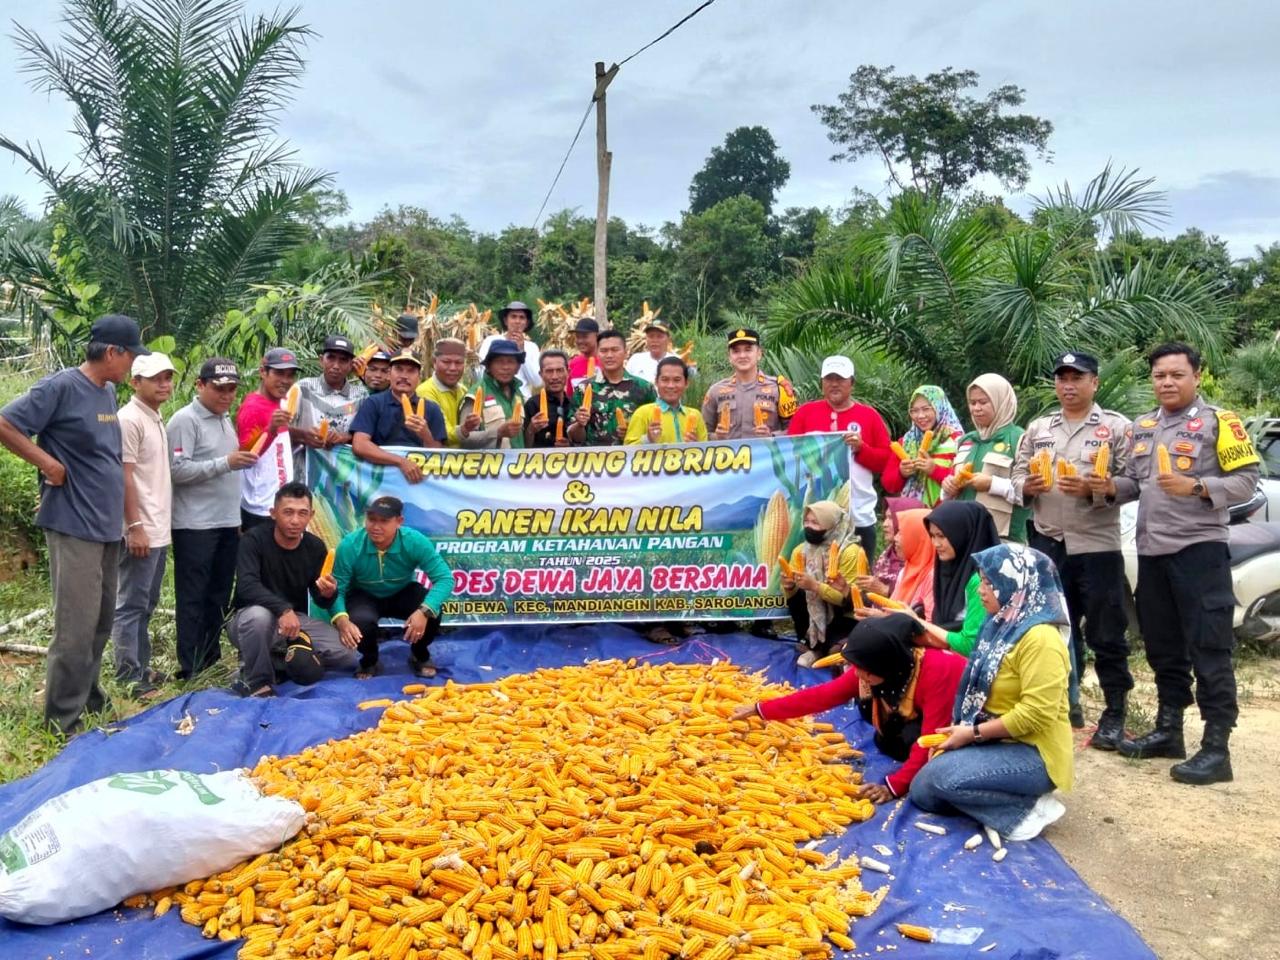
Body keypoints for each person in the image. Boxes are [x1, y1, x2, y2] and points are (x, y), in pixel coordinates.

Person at [1103, 343, 1260, 785]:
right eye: (1159, 376)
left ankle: (1216, 747)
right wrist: (1102, 486)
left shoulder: (1218, 423)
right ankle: (1169, 729)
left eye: (1176, 374)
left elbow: (1246, 481)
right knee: (1162, 646)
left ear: (1195, 377)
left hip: (1199, 550)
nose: (1167, 383)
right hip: (1152, 552)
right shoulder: (1143, 426)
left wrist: (1194, 487)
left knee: (1209, 647)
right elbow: (1134, 484)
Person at [0, 315, 149, 734]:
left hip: (105, 527)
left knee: (101, 620)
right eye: (131, 356)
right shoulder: (61, 387)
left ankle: (90, 696)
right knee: (75, 626)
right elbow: (5, 423)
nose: (133, 365)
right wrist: (46, 462)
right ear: (111, 353)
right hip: (72, 524)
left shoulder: (106, 393)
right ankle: (62, 719)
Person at [909, 543, 1073, 841]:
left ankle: (1025, 808)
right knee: (923, 792)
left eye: (990, 582)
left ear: (1018, 585)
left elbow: (1036, 715)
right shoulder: (998, 624)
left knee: (940, 780)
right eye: (982, 581)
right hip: (994, 739)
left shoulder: (1041, 639)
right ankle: (992, 797)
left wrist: (972, 734)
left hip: (1033, 751)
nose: (982, 590)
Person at [1012, 352, 1134, 739]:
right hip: (1048, 541)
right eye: (1062, 378)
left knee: (1106, 630)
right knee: (1053, 629)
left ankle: (1115, 712)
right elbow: (1018, 472)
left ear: (1094, 383)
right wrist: (1025, 487)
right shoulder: (1038, 428)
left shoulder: (1115, 427)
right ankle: (1065, 705)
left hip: (1096, 543)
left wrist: (1101, 488)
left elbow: (1135, 479)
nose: (1068, 385)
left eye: (1076, 378)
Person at [732, 614, 967, 803]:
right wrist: (760, 709)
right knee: (884, 740)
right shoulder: (874, 666)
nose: (857, 675)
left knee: (920, 759)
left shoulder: (938, 671)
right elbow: (822, 696)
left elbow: (932, 738)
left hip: (961, 721)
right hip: (918, 716)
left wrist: (893, 786)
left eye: (862, 670)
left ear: (886, 666)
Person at [168, 358, 259, 679]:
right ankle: (190, 666)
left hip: (225, 523)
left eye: (232, 389)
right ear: (200, 385)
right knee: (193, 595)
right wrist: (225, 462)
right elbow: (177, 470)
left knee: (219, 594)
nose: (226, 395)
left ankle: (210, 658)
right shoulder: (185, 420)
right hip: (194, 525)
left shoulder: (224, 419)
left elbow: (228, 472)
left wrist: (235, 516)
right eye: (219, 388)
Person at [228, 482, 357, 697]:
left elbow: (320, 598)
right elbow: (247, 585)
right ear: (273, 513)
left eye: (302, 513)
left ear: (311, 515)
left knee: (348, 655)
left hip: (293, 623)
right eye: (288, 513)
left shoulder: (315, 546)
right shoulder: (254, 540)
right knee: (258, 618)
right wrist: (283, 610)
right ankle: (257, 681)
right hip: (249, 617)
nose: (295, 520)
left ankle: (278, 659)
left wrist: (328, 593)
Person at [110, 352, 176, 699]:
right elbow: (125, 475)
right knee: (131, 604)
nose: (164, 384)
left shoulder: (154, 417)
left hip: (157, 527)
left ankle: (141, 665)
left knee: (145, 603)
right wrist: (134, 524)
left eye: (167, 377)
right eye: (156, 378)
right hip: (141, 528)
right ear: (136, 382)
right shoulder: (129, 419)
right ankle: (129, 677)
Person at [330, 496, 453, 678]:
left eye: (384, 521)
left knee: (433, 610)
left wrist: (424, 611)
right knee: (360, 622)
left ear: (399, 522)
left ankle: (419, 655)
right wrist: (341, 619)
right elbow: (337, 588)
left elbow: (445, 578)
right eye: (372, 520)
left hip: (401, 591)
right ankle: (369, 661)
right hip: (364, 595)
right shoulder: (350, 545)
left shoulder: (414, 541)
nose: (376, 527)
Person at [787, 355, 893, 561]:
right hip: (814, 517)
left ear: (852, 383)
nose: (834, 384)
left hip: (858, 514)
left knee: (856, 581)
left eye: (840, 379)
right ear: (822, 383)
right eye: (829, 379)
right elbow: (791, 454)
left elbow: (885, 461)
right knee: (813, 580)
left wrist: (862, 448)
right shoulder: (806, 413)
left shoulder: (869, 416)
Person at [942, 374, 1031, 542]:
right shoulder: (965, 441)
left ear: (1001, 402)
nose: (976, 408)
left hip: (1003, 539)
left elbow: (1029, 493)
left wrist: (992, 484)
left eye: (983, 402)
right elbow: (951, 489)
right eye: (972, 403)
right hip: (964, 536)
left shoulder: (1020, 440)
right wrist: (948, 489)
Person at [779, 501, 868, 666]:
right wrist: (789, 587)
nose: (808, 526)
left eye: (815, 522)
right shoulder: (800, 551)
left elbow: (850, 601)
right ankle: (815, 646)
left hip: (845, 614)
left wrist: (815, 586)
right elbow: (791, 597)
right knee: (798, 596)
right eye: (806, 521)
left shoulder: (850, 552)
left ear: (832, 525)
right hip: (814, 612)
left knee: (836, 650)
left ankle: (827, 648)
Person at [910, 501, 1001, 656]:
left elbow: (970, 644)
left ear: (963, 534)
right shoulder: (947, 568)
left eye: (941, 536)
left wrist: (917, 622)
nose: (935, 544)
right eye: (932, 536)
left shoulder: (980, 579)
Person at [350, 350, 446, 483]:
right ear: (389, 374)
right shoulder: (374, 403)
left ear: (419, 376)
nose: (404, 376)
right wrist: (401, 462)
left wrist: (425, 434)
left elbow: (439, 455)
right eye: (399, 369)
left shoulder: (432, 408)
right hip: (380, 479)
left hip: (418, 480)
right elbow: (360, 445)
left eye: (411, 371)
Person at [236, 347, 299, 531]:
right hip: (261, 508)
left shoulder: (279, 402)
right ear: (263, 372)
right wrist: (270, 429)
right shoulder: (253, 408)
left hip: (278, 503)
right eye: (279, 373)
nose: (285, 381)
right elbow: (245, 458)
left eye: (290, 375)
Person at [701, 328, 796, 439]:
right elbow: (702, 434)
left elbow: (795, 430)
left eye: (748, 350)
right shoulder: (715, 391)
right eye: (736, 351)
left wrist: (771, 436)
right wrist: (717, 436)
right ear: (729, 357)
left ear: (759, 354)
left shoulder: (779, 389)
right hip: (729, 455)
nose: (742, 356)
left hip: (766, 455)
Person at [566, 330, 657, 446]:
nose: (609, 355)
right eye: (604, 351)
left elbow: (656, 429)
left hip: (634, 458)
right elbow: (574, 438)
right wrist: (579, 424)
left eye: (615, 350)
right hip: (595, 459)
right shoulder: (583, 388)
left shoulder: (644, 388)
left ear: (626, 353)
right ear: (597, 354)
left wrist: (633, 433)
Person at [882, 385, 965, 507]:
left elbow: (965, 483)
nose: (920, 416)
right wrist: (901, 473)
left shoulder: (958, 441)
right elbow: (889, 485)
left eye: (926, 409)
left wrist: (934, 470)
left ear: (940, 408)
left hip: (946, 516)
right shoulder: (906, 442)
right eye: (914, 411)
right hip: (912, 516)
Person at [294, 335, 368, 468]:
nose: (336, 366)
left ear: (351, 365)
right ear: (322, 360)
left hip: (342, 475)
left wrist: (345, 437)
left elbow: (367, 435)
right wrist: (305, 436)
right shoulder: (303, 388)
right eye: (331, 358)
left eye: (343, 360)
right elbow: (281, 428)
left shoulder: (361, 395)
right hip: (304, 470)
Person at [461, 339, 528, 450]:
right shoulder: (475, 395)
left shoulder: (518, 395)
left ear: (517, 368)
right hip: (489, 466)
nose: (505, 367)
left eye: (510, 361)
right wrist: (498, 433)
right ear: (488, 366)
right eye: (499, 362)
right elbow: (465, 439)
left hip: (518, 465)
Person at [623, 357, 707, 444]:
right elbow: (628, 452)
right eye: (665, 380)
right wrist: (648, 439)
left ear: (686, 383)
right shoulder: (643, 413)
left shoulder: (696, 415)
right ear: (656, 382)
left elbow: (708, 452)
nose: (670, 385)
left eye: (677, 380)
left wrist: (697, 446)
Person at [856, 496, 925, 599]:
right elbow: (871, 599)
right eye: (885, 518)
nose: (884, 524)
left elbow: (917, 604)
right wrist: (845, 591)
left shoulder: (922, 562)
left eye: (891, 518)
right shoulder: (888, 554)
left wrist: (886, 590)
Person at [477, 301, 542, 397]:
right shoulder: (491, 341)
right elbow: (481, 374)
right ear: (505, 321)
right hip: (494, 398)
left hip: (522, 399)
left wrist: (521, 351)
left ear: (527, 323)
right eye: (513, 317)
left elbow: (537, 381)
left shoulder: (532, 347)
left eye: (522, 317)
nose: (517, 321)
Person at [417, 338, 470, 448]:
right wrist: (465, 429)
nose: (453, 368)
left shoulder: (463, 390)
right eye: (446, 362)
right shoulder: (425, 391)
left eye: (459, 363)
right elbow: (442, 434)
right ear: (434, 363)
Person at [524, 350, 573, 448]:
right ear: (541, 374)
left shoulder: (574, 404)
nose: (555, 377)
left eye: (559, 370)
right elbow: (523, 446)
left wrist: (571, 446)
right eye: (549, 371)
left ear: (568, 372)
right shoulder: (532, 405)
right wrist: (531, 430)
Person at [624, 317, 681, 383]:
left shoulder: (676, 361)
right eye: (651, 336)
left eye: (659, 336)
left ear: (668, 339)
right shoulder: (635, 360)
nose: (655, 340)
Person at [566, 316, 600, 389]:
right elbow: (570, 395)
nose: (580, 341)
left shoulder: (607, 362)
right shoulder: (573, 364)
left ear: (597, 336)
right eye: (578, 337)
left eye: (585, 337)